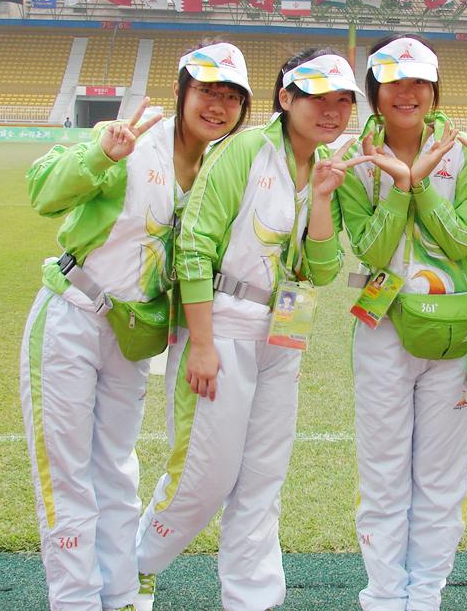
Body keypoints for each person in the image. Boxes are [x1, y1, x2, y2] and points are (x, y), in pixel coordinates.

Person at [134, 48, 369, 611]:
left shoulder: (326, 166)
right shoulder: (245, 149)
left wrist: (321, 199)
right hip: (223, 328)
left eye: (343, 101)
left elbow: (323, 271)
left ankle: (253, 598)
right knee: (203, 476)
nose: (332, 111)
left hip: (284, 334)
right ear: (286, 98)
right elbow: (195, 245)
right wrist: (202, 344)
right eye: (318, 98)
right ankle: (131, 568)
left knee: (263, 477)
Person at [20, 42, 251, 610]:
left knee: (118, 470)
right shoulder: (133, 140)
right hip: (72, 316)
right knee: (66, 474)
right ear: (180, 91)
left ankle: (121, 594)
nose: (217, 106)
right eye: (206, 91)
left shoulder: (218, 169)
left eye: (230, 97)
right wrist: (100, 154)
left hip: (131, 334)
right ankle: (76, 599)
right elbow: (42, 191)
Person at [336, 33, 467, 611]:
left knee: (441, 477)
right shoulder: (352, 158)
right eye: (394, 82)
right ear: (375, 91)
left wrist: (419, 182)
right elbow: (373, 252)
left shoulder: (463, 150)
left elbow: (463, 242)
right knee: (382, 473)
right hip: (381, 329)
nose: (407, 93)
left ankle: (425, 593)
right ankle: (384, 595)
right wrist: (400, 187)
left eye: (419, 82)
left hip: (451, 333)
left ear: (434, 90)